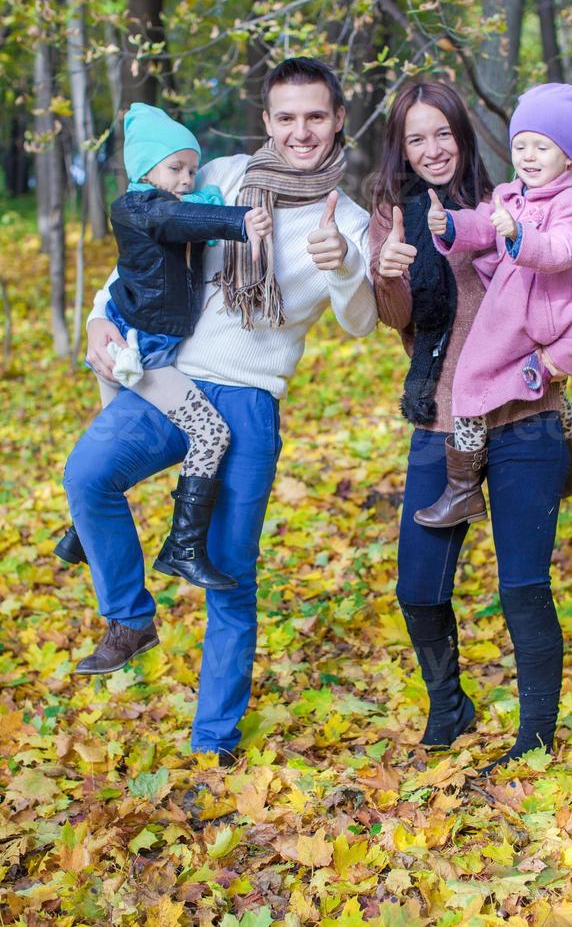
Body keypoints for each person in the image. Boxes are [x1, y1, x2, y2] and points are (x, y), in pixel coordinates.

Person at [62, 58, 377, 761]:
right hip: (170, 375)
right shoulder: (227, 177)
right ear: (267, 121)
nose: (301, 131)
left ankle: (213, 741)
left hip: (250, 398)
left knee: (229, 572)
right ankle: (130, 617)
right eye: (287, 117)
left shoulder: (346, 218)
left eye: (316, 117)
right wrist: (95, 316)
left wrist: (344, 266)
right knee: (88, 477)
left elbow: (360, 321)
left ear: (337, 121)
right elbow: (152, 243)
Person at [371, 79, 572, 771]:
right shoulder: (396, 212)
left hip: (527, 415)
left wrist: (555, 362)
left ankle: (535, 736)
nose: (432, 148)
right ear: (401, 148)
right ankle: (449, 706)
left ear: (462, 135)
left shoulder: (515, 199)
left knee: (523, 583)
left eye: (443, 133)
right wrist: (390, 272)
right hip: (441, 418)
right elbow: (394, 318)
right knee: (417, 584)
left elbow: (564, 285)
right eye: (417, 137)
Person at [55, 103, 272, 591]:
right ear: (144, 170)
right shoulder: (140, 206)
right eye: (175, 168)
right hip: (140, 351)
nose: (186, 178)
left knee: (108, 454)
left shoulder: (165, 202)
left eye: (192, 169)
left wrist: (212, 197)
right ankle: (184, 547)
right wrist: (239, 221)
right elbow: (181, 219)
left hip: (134, 339)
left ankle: (79, 536)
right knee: (211, 435)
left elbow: (190, 210)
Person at [414, 84, 572, 529]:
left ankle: (462, 491)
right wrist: (448, 223)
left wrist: (519, 236)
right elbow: (481, 227)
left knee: (469, 379)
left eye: (542, 146)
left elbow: (563, 250)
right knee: (552, 393)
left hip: (543, 307)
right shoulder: (508, 193)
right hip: (516, 306)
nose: (528, 155)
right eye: (520, 145)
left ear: (568, 156)